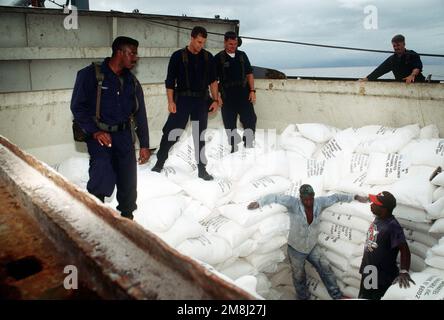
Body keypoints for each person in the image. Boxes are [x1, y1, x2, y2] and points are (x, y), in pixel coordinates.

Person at [71, 36, 150, 220]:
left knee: (128, 181)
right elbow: (77, 106)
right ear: (119, 52)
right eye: (132, 53)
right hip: (100, 136)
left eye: (136, 54)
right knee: (102, 173)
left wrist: (144, 144)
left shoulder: (132, 82)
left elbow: (140, 114)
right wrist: (95, 131)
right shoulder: (91, 75)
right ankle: (96, 217)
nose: (135, 57)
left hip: (124, 137)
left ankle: (127, 219)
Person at [247, 184, 368, 300]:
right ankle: (303, 297)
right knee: (298, 275)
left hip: (312, 246)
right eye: (305, 200)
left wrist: (355, 197)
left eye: (311, 199)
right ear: (301, 198)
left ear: (314, 196)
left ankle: (336, 295)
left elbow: (335, 197)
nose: (309, 202)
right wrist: (259, 203)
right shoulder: (293, 203)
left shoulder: (319, 203)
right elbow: (275, 197)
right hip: (296, 248)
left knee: (325, 267)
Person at [151, 26, 219, 180]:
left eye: (203, 43)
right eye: (199, 42)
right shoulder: (177, 56)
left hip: (201, 101)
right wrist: (170, 102)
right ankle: (160, 162)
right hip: (182, 100)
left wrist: (215, 99)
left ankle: (202, 169)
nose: (201, 46)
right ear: (192, 38)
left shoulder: (208, 57)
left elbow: (213, 81)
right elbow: (169, 81)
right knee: (171, 133)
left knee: (199, 135)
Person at [358, 191, 415, 300]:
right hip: (369, 270)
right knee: (364, 297)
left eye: (375, 204)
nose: (371, 205)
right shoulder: (379, 218)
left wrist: (404, 271)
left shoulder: (392, 226)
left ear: (384, 209)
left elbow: (404, 249)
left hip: (380, 276)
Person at [215, 31, 257, 153]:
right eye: (230, 44)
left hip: (244, 95)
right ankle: (234, 148)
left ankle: (248, 144)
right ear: (225, 42)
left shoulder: (242, 56)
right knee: (229, 124)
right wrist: (217, 96)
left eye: (235, 44)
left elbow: (249, 74)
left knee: (250, 119)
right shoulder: (218, 58)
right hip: (227, 97)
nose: (233, 46)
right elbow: (213, 80)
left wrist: (252, 91)